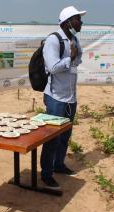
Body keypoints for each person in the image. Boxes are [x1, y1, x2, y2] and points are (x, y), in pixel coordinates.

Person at [41, 6, 86, 189]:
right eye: (77, 19)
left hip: (70, 97)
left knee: (65, 136)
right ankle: (46, 174)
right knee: (52, 137)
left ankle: (58, 165)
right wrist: (70, 59)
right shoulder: (53, 40)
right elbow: (52, 67)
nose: (81, 23)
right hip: (56, 98)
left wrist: (75, 57)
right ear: (68, 22)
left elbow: (77, 60)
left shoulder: (74, 39)